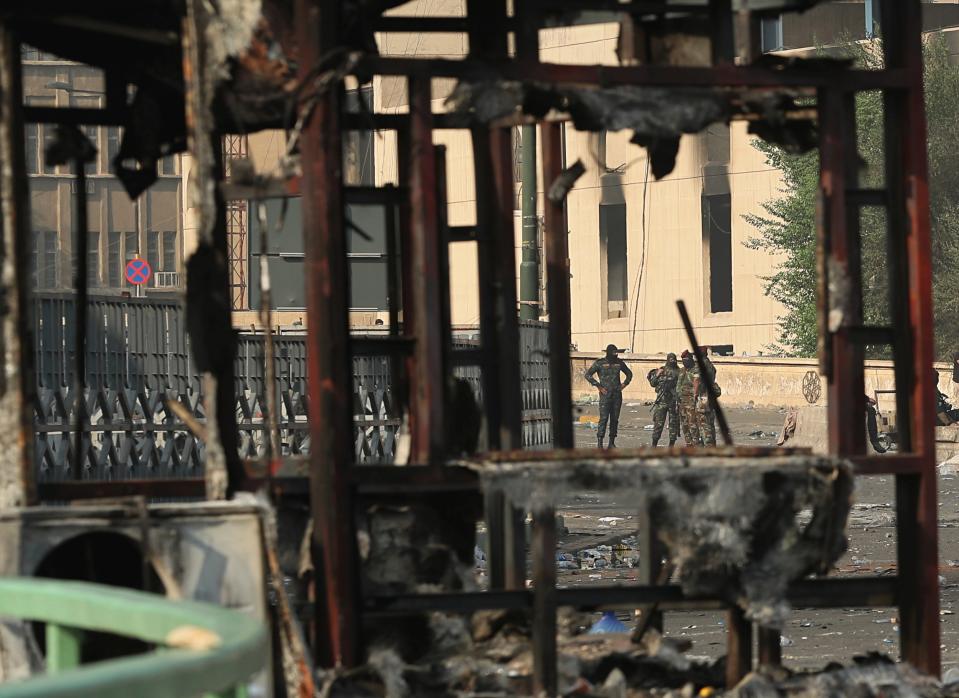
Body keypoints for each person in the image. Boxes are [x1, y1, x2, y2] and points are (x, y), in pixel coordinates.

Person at [585, 344, 633, 448]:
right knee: (604, 418)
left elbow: (629, 374)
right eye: (613, 353)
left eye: (616, 353)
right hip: (605, 395)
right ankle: (600, 442)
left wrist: (624, 384)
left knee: (614, 419)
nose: (615, 355)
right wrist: (598, 386)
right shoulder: (600, 363)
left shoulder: (619, 363)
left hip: (616, 395)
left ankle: (611, 442)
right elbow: (588, 375)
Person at [647, 353, 680, 447]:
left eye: (674, 359)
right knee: (658, 424)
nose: (672, 361)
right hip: (661, 401)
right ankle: (654, 444)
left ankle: (671, 445)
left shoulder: (679, 372)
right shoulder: (661, 370)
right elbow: (653, 383)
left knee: (673, 425)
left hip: (673, 402)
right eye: (671, 359)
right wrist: (657, 374)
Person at [676, 352, 703, 446]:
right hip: (681, 401)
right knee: (684, 424)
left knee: (693, 423)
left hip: (692, 401)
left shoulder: (696, 370)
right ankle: (689, 443)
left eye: (686, 359)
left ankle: (696, 443)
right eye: (683, 360)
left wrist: (695, 395)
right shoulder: (682, 370)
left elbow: (697, 383)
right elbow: (678, 384)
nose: (685, 362)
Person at [694, 347, 720, 447]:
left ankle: (708, 446)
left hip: (703, 396)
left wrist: (695, 394)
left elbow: (696, 380)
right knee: (710, 422)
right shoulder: (710, 365)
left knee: (704, 423)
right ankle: (712, 444)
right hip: (711, 396)